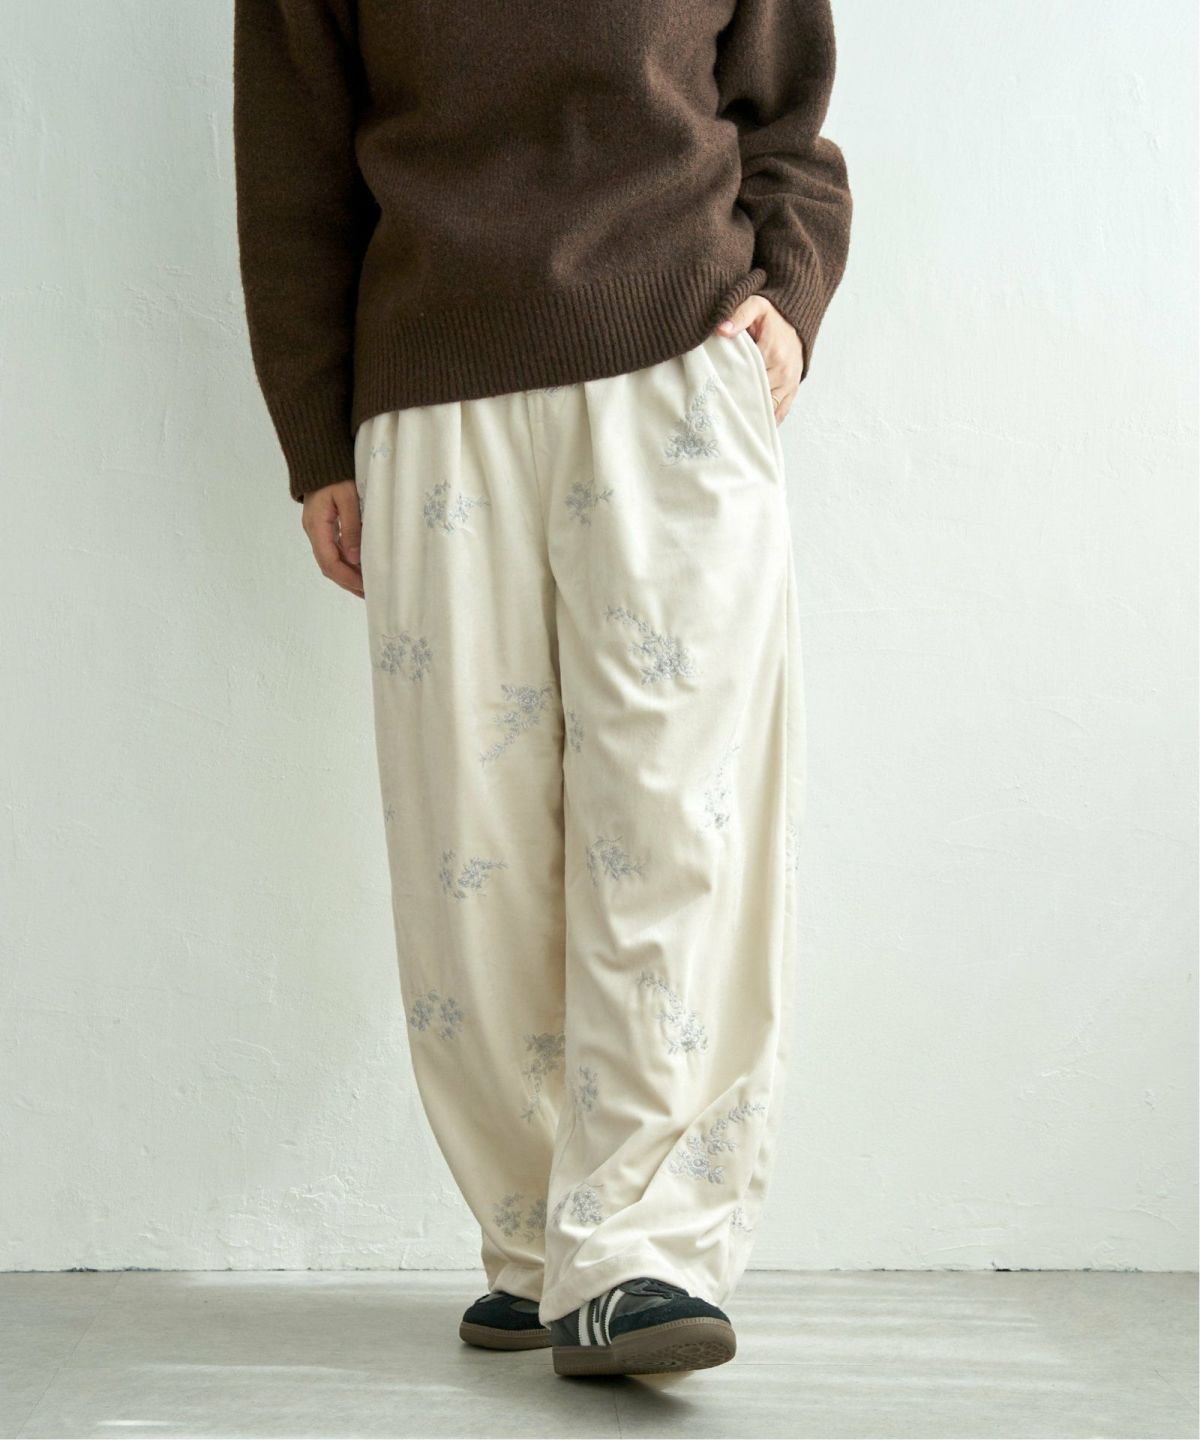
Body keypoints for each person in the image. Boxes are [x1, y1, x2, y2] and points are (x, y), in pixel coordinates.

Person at [232, 0, 851, 1378]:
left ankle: (639, 1247)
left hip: (680, 369)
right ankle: (540, 1238)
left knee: (677, 820)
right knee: (476, 851)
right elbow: (291, 166)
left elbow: (788, 122)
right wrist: (314, 429)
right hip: (435, 393)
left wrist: (791, 298)